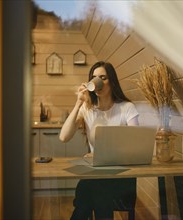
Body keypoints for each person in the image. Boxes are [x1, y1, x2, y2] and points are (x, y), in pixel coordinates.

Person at [59, 61, 139, 220]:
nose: (98, 81)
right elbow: (64, 137)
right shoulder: (88, 109)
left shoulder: (126, 108)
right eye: (94, 78)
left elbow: (135, 144)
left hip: (122, 174)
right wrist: (79, 102)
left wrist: (100, 156)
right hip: (95, 174)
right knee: (94, 188)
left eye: (103, 77)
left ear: (112, 82)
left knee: (90, 190)